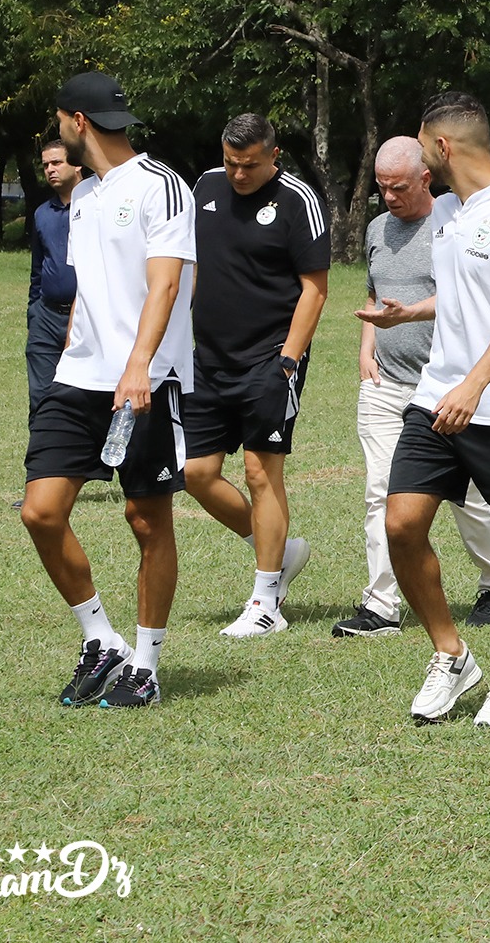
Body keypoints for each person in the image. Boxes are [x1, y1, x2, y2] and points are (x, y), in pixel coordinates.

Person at [374, 92, 490, 730]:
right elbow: (463, 296)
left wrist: (476, 385)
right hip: (436, 397)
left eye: (422, 144)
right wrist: (410, 312)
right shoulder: (449, 212)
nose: (419, 156)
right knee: (401, 524)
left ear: (443, 146)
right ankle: (451, 654)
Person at [20, 71, 195, 709]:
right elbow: (88, 289)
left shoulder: (160, 185)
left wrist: (138, 365)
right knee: (40, 511)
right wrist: (71, 348)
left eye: (59, 121)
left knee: (146, 519)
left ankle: (144, 665)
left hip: (147, 379)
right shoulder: (84, 196)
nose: (57, 133)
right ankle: (101, 638)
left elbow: (166, 284)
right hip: (80, 377)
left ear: (78, 122)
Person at [335, 136, 490, 638]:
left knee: (468, 496)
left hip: (444, 385)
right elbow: (375, 293)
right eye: (382, 188)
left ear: (425, 178)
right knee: (380, 493)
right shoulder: (376, 229)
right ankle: (381, 607)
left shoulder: (453, 225)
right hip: (385, 382)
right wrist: (367, 348)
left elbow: (469, 297)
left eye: (399, 187)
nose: (389, 197)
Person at [182, 115, 329, 638]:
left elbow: (315, 289)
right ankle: (278, 552)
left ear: (274, 155)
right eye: (230, 163)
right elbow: (194, 268)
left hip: (271, 358)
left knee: (260, 473)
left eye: (249, 165)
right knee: (194, 473)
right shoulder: (205, 187)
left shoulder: (298, 200)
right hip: (207, 358)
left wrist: (288, 360)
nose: (238, 174)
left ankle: (267, 601)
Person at [25, 139, 83, 421]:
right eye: (46, 165)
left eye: (57, 162)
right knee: (41, 397)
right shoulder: (42, 213)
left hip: (86, 316)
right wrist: (34, 312)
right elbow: (37, 269)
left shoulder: (97, 205)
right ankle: (41, 445)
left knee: (83, 395)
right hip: (46, 317)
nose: (50, 169)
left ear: (77, 164)